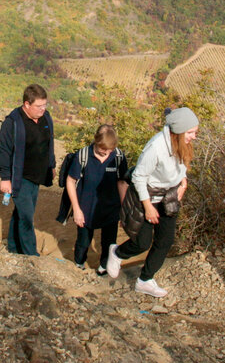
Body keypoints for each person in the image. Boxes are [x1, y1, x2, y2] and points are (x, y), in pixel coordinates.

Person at [106, 108, 198, 297]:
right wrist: (148, 207)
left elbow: (181, 167)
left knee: (165, 240)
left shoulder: (182, 143)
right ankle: (117, 253)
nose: (194, 137)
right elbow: (139, 177)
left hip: (168, 196)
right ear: (178, 131)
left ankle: (145, 280)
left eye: (195, 132)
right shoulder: (156, 147)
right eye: (190, 132)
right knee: (142, 242)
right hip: (145, 195)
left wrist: (183, 182)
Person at [58, 124, 128, 275]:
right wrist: (76, 210)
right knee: (83, 241)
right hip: (86, 208)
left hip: (111, 208)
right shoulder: (83, 156)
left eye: (109, 150)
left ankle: (103, 268)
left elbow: (122, 182)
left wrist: (124, 209)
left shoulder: (118, 157)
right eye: (104, 150)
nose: (106, 153)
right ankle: (79, 265)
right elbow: (71, 181)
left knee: (109, 242)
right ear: (96, 142)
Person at [0, 84, 55, 256]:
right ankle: (31, 255)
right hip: (19, 177)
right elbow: (3, 151)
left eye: (45, 105)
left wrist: (51, 165)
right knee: (27, 217)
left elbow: (48, 143)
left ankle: (14, 247)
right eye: (39, 106)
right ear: (27, 104)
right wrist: (5, 178)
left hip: (37, 176)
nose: (43, 109)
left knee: (21, 213)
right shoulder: (13, 122)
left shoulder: (46, 118)